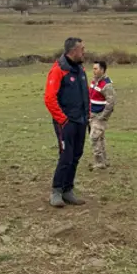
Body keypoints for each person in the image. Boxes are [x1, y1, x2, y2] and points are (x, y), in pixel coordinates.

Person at [44, 37, 90, 207]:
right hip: (66, 123)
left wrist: (88, 116)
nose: (84, 52)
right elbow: (49, 98)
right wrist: (63, 120)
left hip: (81, 120)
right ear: (73, 51)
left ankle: (68, 189)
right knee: (66, 156)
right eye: (82, 49)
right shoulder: (58, 70)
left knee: (77, 155)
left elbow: (85, 95)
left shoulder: (80, 70)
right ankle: (56, 191)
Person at [88, 60, 116, 170]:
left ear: (102, 70)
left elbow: (111, 102)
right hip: (92, 114)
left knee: (94, 138)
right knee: (100, 138)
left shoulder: (107, 85)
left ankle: (99, 162)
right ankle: (104, 161)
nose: (94, 71)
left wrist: (103, 116)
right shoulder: (94, 81)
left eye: (96, 69)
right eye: (93, 68)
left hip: (99, 116)